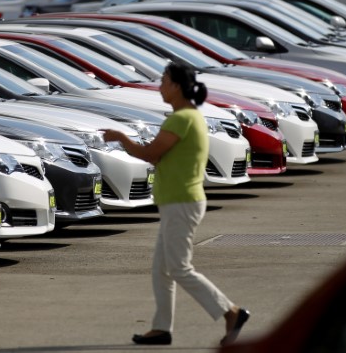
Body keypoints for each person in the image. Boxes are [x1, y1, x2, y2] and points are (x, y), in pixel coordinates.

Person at [102, 62, 250, 347]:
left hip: (182, 202)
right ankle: (161, 329)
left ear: (177, 86)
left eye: (164, 81)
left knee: (179, 267)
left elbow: (151, 154)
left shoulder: (182, 119)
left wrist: (121, 138)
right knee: (162, 269)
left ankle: (230, 312)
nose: (160, 85)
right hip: (178, 201)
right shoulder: (189, 117)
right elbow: (159, 154)